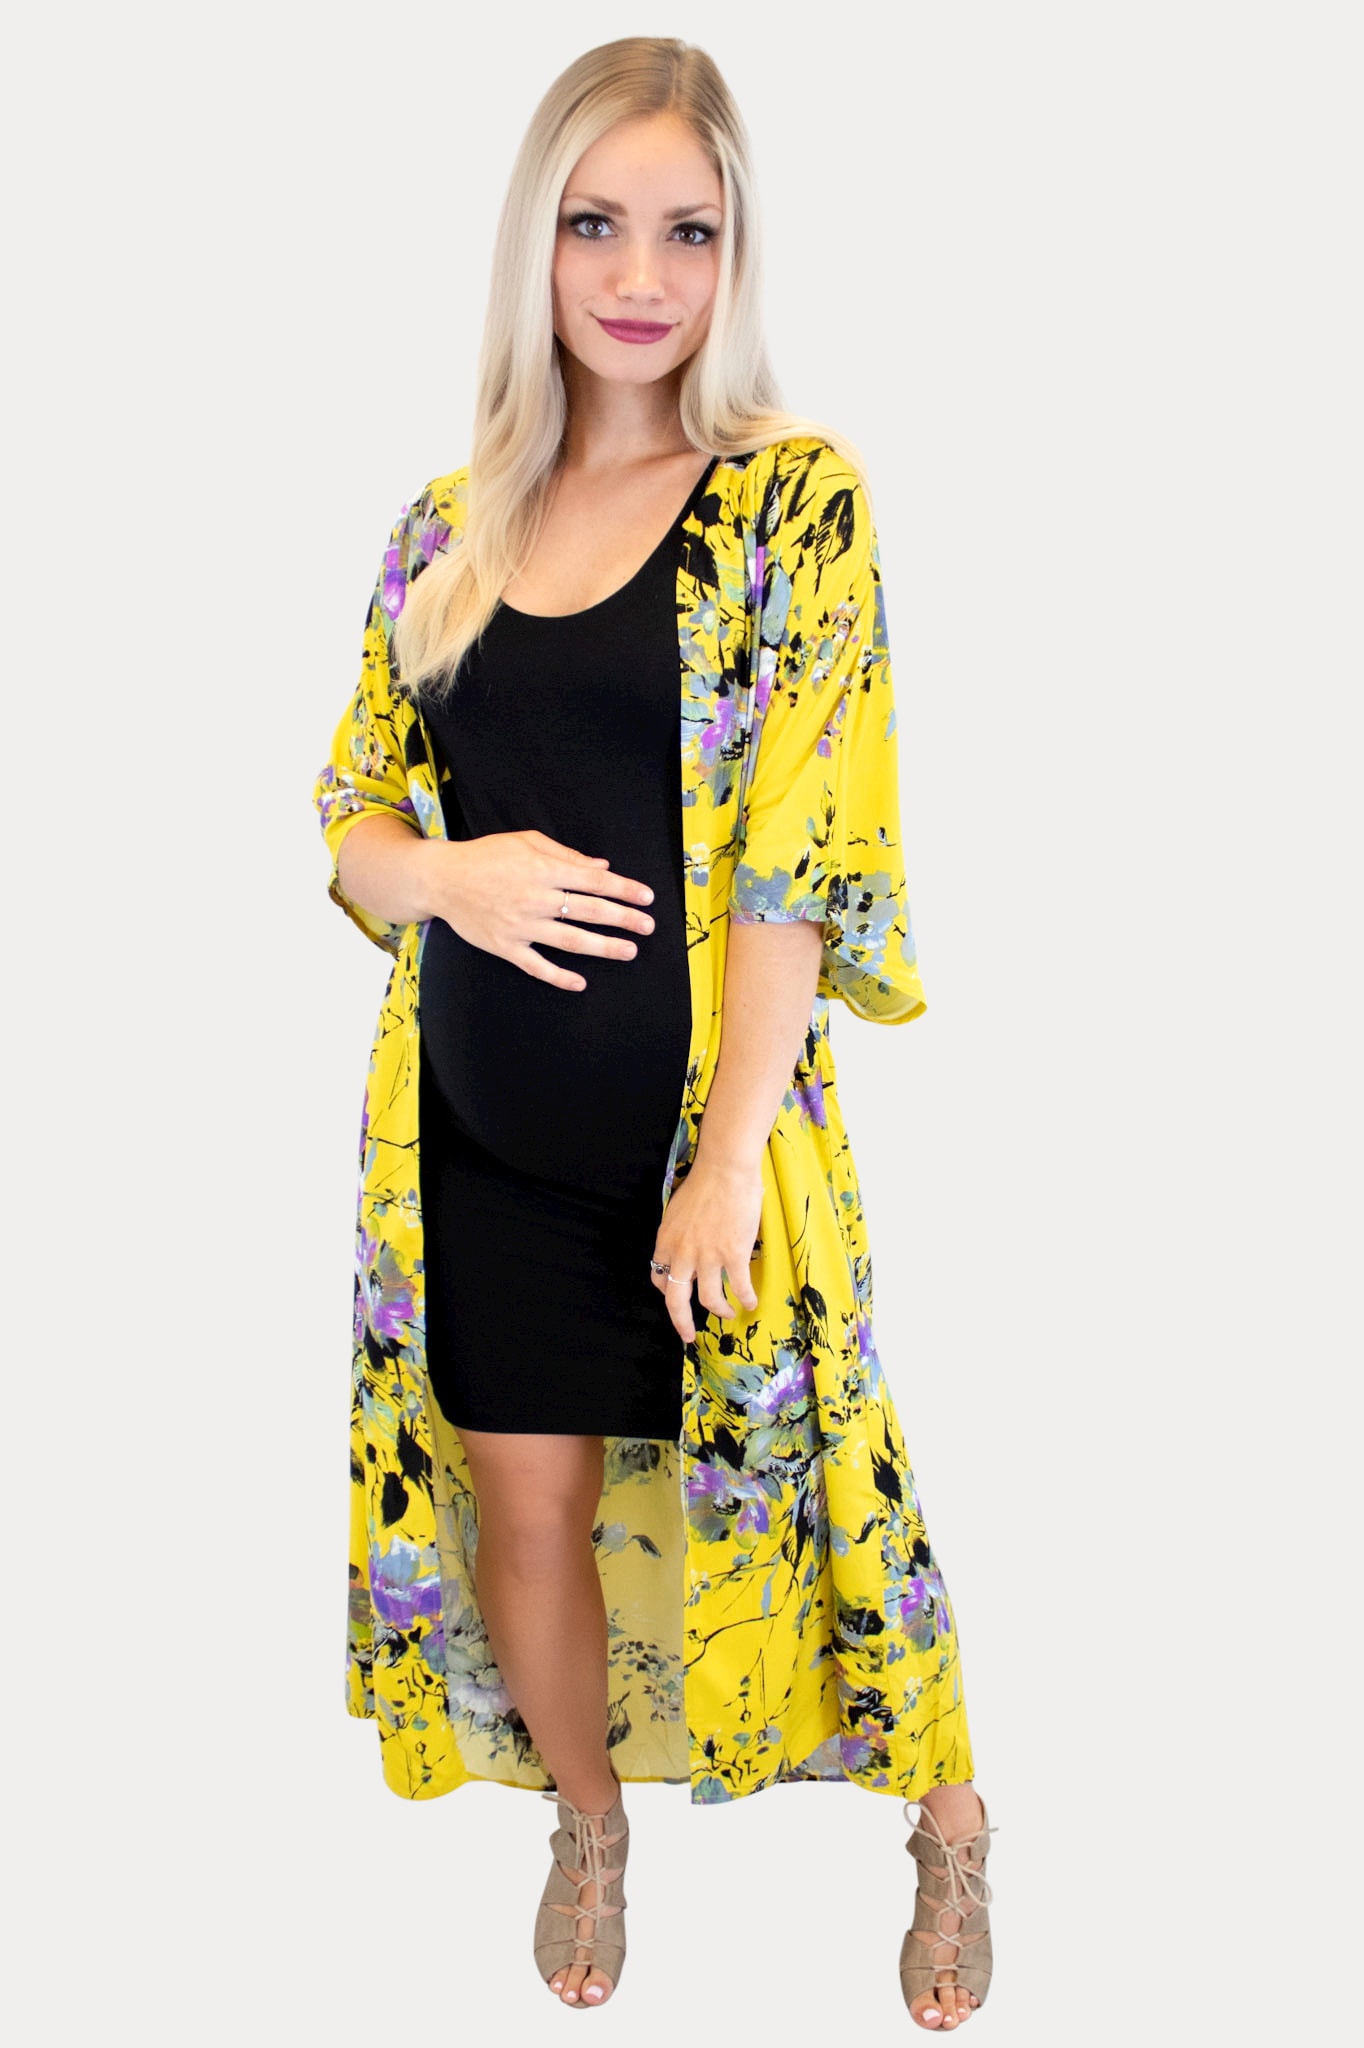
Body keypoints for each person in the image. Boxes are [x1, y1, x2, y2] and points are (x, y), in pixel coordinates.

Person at [312, 35, 996, 2028]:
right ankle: (590, 1826)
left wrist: (726, 1164)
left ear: (735, 254)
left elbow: (800, 859)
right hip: (474, 1151)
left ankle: (951, 1825)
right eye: (595, 225)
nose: (638, 276)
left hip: (710, 1144)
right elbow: (351, 814)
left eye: (688, 233)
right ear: (533, 244)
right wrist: (450, 875)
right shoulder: (445, 528)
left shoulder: (792, 503)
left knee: (834, 1492)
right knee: (518, 1510)